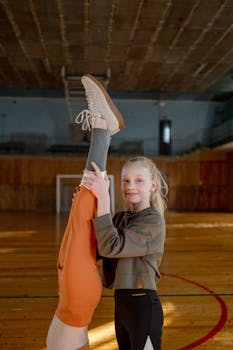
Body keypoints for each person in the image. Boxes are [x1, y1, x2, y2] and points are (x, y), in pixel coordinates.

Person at [46, 74, 125, 350]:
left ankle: (102, 128)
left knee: (80, 207)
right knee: (83, 208)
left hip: (73, 295)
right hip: (78, 295)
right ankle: (102, 128)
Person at [82, 155, 168, 349]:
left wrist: (104, 197)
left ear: (153, 185)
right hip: (121, 304)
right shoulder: (120, 217)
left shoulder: (153, 221)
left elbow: (110, 246)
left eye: (139, 180)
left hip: (143, 306)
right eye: (126, 180)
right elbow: (97, 251)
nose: (131, 186)